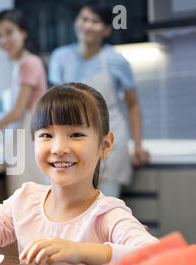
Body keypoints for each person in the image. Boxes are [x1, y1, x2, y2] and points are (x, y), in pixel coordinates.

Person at [0, 83, 157, 265]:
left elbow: (156, 257)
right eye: (46, 135)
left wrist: (79, 251)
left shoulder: (107, 214)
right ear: (33, 143)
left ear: (105, 145)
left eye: (76, 134)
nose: (59, 147)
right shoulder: (24, 200)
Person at [48, 0, 150, 197]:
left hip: (109, 144)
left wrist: (137, 145)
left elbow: (133, 105)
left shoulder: (117, 61)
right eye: (83, 19)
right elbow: (53, 106)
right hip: (70, 145)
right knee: (70, 210)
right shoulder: (60, 58)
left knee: (105, 209)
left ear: (106, 30)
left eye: (95, 21)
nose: (87, 25)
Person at [0, 9, 48, 195]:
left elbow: (17, 112)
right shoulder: (20, 65)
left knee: (29, 199)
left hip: (27, 145)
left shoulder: (28, 63)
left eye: (9, 32)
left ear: (24, 33)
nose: (3, 40)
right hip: (21, 146)